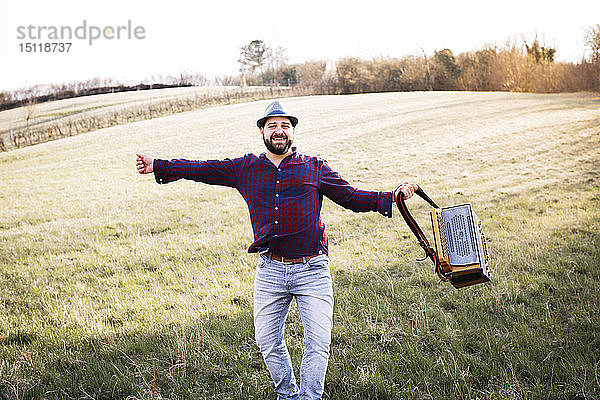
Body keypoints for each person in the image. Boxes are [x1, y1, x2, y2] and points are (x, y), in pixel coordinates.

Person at [136, 100, 418, 400]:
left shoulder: (315, 167)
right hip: (270, 270)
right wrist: (160, 165)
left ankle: (310, 397)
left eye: (285, 126)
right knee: (267, 340)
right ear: (262, 132)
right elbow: (202, 168)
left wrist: (392, 197)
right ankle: (288, 395)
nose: (279, 131)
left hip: (313, 270)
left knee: (318, 342)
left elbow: (351, 197)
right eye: (272, 125)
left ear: (293, 132)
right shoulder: (245, 168)